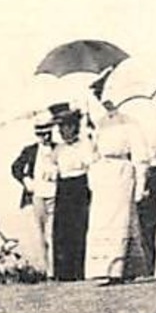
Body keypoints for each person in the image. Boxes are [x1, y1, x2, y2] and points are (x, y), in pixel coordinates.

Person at [83, 70, 150, 285]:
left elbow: (141, 155)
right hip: (104, 175)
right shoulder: (98, 124)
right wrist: (88, 134)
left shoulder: (130, 122)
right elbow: (90, 156)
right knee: (103, 221)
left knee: (122, 220)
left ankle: (121, 269)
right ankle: (104, 268)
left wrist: (141, 184)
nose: (106, 102)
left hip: (122, 173)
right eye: (100, 96)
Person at [9, 115, 59, 274]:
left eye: (47, 133)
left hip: (56, 195)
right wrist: (25, 180)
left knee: (53, 234)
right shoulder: (30, 150)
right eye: (40, 134)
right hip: (37, 196)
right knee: (39, 235)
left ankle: (55, 270)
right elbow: (15, 167)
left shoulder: (59, 148)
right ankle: (44, 270)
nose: (44, 137)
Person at [50, 102, 93, 281]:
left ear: (74, 127)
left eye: (66, 126)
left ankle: (79, 270)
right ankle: (64, 272)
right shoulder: (58, 149)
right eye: (60, 127)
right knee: (62, 229)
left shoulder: (85, 145)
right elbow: (53, 168)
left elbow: (90, 164)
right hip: (63, 188)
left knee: (80, 226)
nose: (62, 131)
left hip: (80, 186)